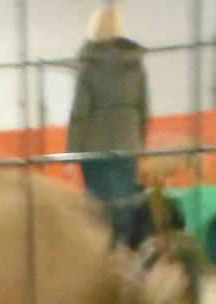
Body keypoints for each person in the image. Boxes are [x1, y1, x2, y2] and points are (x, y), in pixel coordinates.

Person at [68, 6, 148, 209]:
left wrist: (71, 153)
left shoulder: (88, 66)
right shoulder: (136, 66)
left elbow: (80, 115)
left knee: (97, 209)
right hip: (127, 145)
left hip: (94, 149)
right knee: (124, 204)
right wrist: (140, 145)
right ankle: (121, 239)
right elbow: (144, 110)